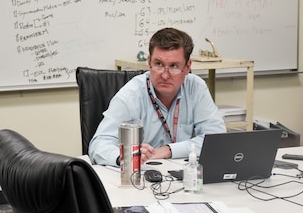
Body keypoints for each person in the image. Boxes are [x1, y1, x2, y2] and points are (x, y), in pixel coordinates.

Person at [89, 27, 226, 166]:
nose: (165, 75)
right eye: (158, 64)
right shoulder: (130, 95)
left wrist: (169, 150)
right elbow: (98, 145)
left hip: (179, 176)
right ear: (149, 63)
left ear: (187, 67)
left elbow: (217, 140)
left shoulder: (196, 88)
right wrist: (124, 157)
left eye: (174, 66)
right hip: (140, 177)